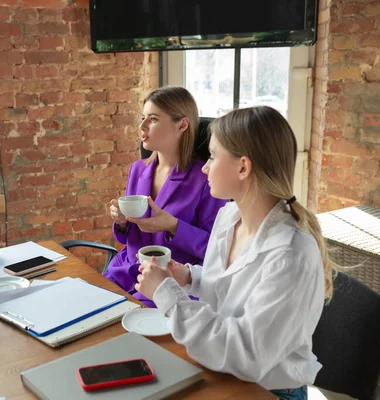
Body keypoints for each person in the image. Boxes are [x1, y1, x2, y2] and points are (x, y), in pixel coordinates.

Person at [135, 106, 334, 398]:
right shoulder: (229, 217)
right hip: (223, 372)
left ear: (243, 167)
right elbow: (232, 289)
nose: (204, 167)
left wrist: (168, 295)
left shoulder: (291, 254)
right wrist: (190, 277)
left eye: (213, 157)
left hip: (266, 391)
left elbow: (247, 356)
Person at [104, 86, 226, 307]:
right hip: (126, 272)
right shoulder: (138, 169)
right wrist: (121, 222)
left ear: (182, 124)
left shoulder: (206, 179)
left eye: (153, 119)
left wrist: (173, 226)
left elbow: (216, 250)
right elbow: (126, 238)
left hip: (170, 282)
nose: (142, 126)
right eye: (143, 118)